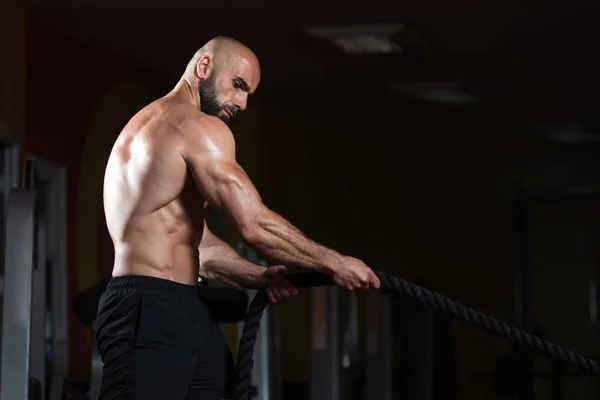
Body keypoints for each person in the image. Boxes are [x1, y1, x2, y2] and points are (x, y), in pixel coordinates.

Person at [96, 36, 381, 400]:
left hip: (181, 307)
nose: (242, 103)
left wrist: (257, 276)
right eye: (238, 86)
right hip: (150, 310)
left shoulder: (148, 127)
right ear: (204, 68)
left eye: (249, 93)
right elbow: (254, 224)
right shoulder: (195, 127)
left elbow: (198, 246)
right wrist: (334, 262)